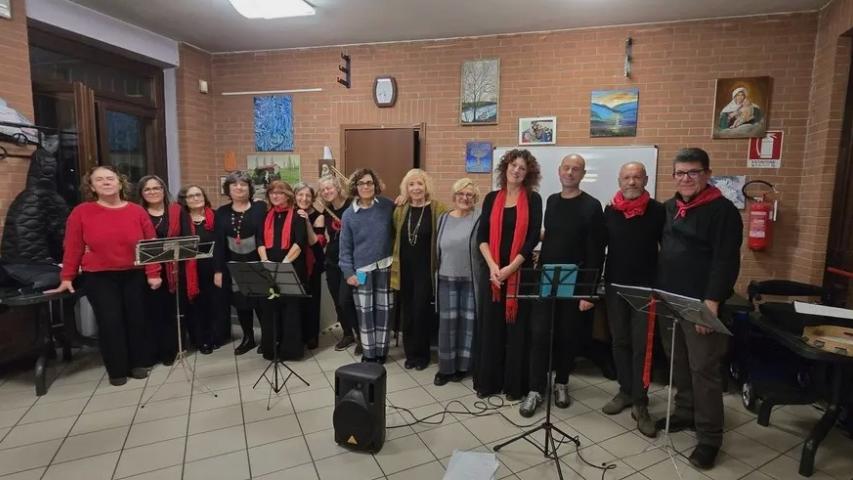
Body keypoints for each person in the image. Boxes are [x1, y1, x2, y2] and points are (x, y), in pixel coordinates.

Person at [655, 148, 743, 470]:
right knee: (678, 361)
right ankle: (685, 412)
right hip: (669, 299)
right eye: (680, 173)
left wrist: (712, 303)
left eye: (693, 172)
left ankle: (709, 438)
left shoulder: (723, 211)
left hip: (701, 303)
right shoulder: (669, 208)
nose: (686, 178)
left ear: (707, 174)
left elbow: (726, 260)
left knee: (703, 370)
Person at [49, 165, 162, 386]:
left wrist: (153, 273)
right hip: (99, 277)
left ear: (120, 183)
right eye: (99, 180)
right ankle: (117, 369)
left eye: (110, 178)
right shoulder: (81, 212)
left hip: (134, 274)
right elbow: (73, 247)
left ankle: (138, 363)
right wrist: (67, 277)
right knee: (110, 322)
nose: (106, 182)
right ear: (92, 187)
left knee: (137, 319)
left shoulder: (137, 211)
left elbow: (150, 245)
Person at [518, 154, 605, 416]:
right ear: (559, 171)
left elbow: (596, 251)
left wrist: (588, 292)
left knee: (567, 336)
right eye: (566, 168)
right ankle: (535, 389)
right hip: (546, 280)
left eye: (575, 169)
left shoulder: (592, 205)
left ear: (582, 174)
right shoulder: (552, 201)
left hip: (574, 283)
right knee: (539, 335)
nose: (570, 172)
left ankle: (562, 382)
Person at [599, 162, 665, 437]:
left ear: (645, 180)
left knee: (642, 347)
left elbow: (668, 249)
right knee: (620, 342)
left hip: (645, 290)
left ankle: (641, 401)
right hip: (614, 287)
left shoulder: (659, 211)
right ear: (619, 180)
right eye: (626, 177)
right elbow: (599, 245)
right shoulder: (610, 211)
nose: (631, 182)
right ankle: (625, 390)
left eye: (637, 177)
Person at [474, 149, 543, 399]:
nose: (516, 170)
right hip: (492, 274)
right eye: (513, 165)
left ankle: (514, 386)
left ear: (528, 174)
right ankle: (489, 383)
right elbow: (482, 236)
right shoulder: (492, 198)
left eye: (522, 168)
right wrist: (493, 267)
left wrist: (509, 269)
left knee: (516, 331)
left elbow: (532, 238)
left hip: (519, 274)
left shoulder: (534, 199)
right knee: (491, 329)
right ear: (505, 168)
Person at [391, 168, 449, 370]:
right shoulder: (400, 210)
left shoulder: (438, 208)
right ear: (406, 188)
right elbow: (394, 234)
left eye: (419, 183)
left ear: (426, 186)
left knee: (421, 312)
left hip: (425, 271)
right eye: (411, 184)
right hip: (404, 270)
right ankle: (410, 355)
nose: (416, 188)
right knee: (407, 313)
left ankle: (422, 355)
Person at [339, 168, 395, 363]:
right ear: (355, 187)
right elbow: (345, 248)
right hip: (362, 271)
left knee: (384, 312)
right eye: (361, 183)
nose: (366, 186)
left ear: (375, 185)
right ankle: (369, 354)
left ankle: (381, 353)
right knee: (365, 313)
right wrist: (349, 273)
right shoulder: (348, 215)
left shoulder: (387, 206)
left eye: (369, 182)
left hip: (385, 267)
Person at [434, 178, 485, 386]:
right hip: (446, 279)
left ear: (475, 198)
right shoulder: (443, 218)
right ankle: (445, 369)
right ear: (454, 196)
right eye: (461, 194)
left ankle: (463, 368)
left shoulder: (480, 217)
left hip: (471, 281)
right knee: (447, 326)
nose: (465, 198)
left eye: (469, 195)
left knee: (467, 326)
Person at [214, 171, 267, 355]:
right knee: (241, 304)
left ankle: (267, 338)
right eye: (234, 184)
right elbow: (219, 244)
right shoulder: (221, 212)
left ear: (249, 188)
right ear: (228, 189)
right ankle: (248, 338)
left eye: (243, 184)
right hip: (233, 265)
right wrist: (218, 271)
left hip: (258, 263)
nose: (239, 188)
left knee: (261, 304)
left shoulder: (260, 208)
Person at [167, 185, 222, 353]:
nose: (195, 198)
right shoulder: (180, 220)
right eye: (190, 196)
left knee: (215, 304)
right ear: (184, 201)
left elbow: (220, 244)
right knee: (196, 307)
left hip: (213, 268)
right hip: (189, 271)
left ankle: (215, 337)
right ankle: (200, 340)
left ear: (204, 196)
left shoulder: (215, 216)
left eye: (198, 194)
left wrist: (219, 270)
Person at [257, 180, 307, 360]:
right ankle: (270, 349)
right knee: (270, 309)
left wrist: (283, 265)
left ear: (287, 195)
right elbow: (259, 241)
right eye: (272, 193)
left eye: (279, 193)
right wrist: (266, 262)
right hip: (268, 268)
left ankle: (290, 351)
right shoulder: (265, 216)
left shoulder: (297, 216)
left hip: (290, 268)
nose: (275, 196)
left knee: (290, 311)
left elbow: (299, 243)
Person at [136, 175, 177, 366]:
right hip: (144, 272)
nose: (152, 192)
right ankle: (150, 353)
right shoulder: (136, 213)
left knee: (167, 312)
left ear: (163, 190)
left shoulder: (175, 211)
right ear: (141, 193)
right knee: (147, 313)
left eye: (156, 188)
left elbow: (185, 237)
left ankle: (168, 351)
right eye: (147, 189)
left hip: (171, 270)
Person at [317, 175, 360, 353]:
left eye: (329, 188)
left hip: (351, 263)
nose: (326, 192)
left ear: (337, 187)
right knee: (337, 301)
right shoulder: (326, 211)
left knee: (347, 300)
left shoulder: (352, 205)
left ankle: (362, 336)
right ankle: (347, 334)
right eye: (323, 190)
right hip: (332, 262)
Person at [293, 182, 325, 350]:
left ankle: (311, 336)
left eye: (308, 196)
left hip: (313, 263)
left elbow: (316, 244)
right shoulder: (291, 213)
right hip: (295, 262)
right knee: (296, 302)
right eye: (300, 195)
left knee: (312, 301)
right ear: (294, 196)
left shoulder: (318, 216)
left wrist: (305, 221)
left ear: (312, 199)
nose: (304, 199)